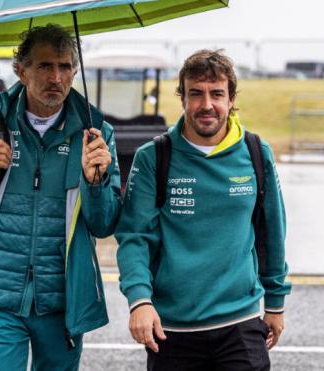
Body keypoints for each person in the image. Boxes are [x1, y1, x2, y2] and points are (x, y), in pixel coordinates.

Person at [0, 24, 121, 371]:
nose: (56, 77)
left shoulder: (96, 134)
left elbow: (104, 225)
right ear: (21, 70)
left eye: (64, 67)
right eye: (45, 66)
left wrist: (96, 183)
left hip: (63, 301)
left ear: (75, 70)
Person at [116, 49, 291, 371]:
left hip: (241, 323)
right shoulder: (153, 157)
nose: (206, 104)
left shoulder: (255, 151)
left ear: (231, 98)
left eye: (216, 94)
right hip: (172, 328)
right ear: (182, 98)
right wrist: (139, 300)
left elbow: (272, 231)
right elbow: (134, 237)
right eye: (195, 93)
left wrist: (276, 303)